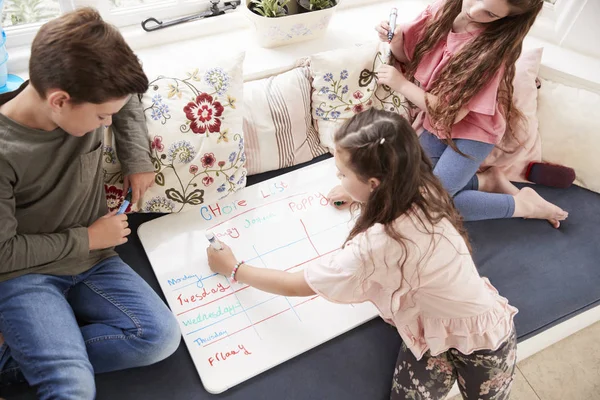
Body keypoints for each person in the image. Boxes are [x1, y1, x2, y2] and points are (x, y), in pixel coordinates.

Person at [207, 109, 518, 400]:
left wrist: (234, 267)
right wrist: (361, 195)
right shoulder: (422, 184)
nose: (338, 180)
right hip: (427, 324)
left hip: (482, 339)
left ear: (374, 183)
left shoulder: (380, 244)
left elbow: (295, 285)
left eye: (342, 174)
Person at [0, 9, 180, 399]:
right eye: (102, 117)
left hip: (95, 264)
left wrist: (136, 156)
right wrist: (88, 237)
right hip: (26, 275)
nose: (106, 124)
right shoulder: (4, 153)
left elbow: (124, 96)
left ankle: (25, 361)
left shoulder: (84, 95)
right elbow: (2, 253)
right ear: (60, 101)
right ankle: (45, 362)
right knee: (73, 387)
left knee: (159, 338)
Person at [369, 0, 568, 228]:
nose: (473, 11)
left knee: (429, 203)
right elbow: (409, 57)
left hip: (473, 132)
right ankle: (487, 181)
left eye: (490, 13)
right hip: (436, 124)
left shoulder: (490, 52)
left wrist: (402, 85)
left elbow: (451, 114)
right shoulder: (444, 10)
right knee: (407, 181)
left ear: (506, 18)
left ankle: (525, 206)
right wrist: (396, 42)